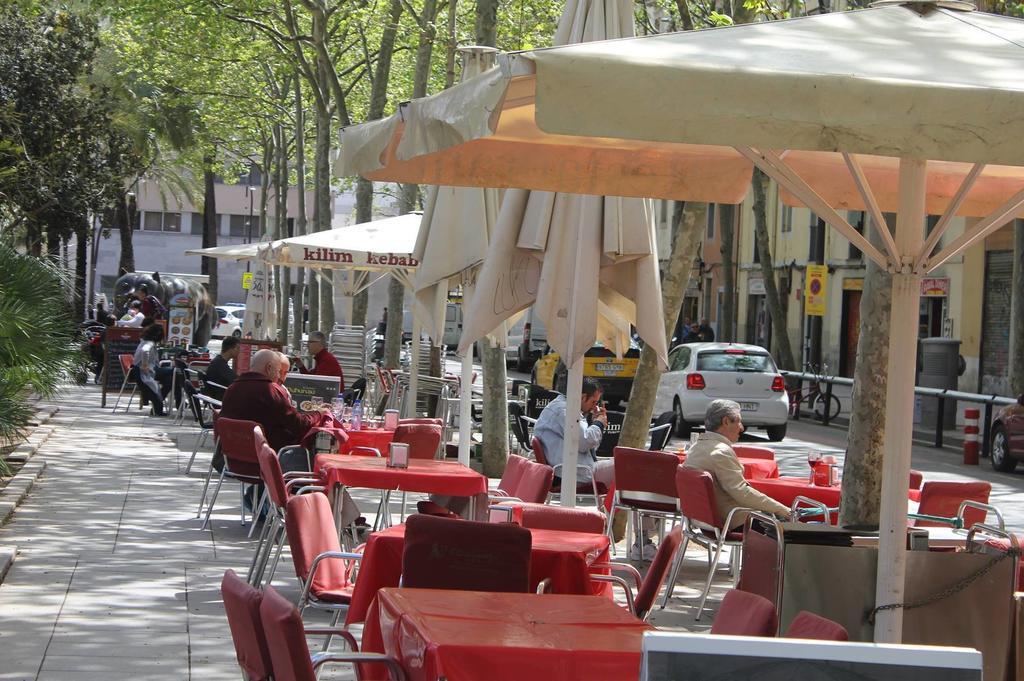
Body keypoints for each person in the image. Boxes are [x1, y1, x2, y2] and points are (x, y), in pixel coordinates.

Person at [220, 350, 361, 527]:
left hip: (235, 460)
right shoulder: (269, 390)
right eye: (279, 371)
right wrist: (320, 413)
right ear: (269, 368)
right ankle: (339, 518)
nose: (280, 377)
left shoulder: (232, 389)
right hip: (273, 461)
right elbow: (299, 424)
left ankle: (257, 497)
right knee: (322, 462)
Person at [532, 379, 659, 560]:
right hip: (576, 472)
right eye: (593, 402)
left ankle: (643, 537)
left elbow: (584, 444)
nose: (594, 406)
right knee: (638, 468)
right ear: (582, 396)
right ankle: (643, 540)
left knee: (634, 470)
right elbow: (585, 442)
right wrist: (598, 423)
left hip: (573, 469)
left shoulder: (562, 407)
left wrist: (592, 421)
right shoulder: (565, 410)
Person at [682, 400, 790, 527]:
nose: (742, 427)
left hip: (701, 519)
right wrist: (783, 510)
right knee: (791, 526)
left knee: (778, 514)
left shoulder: (696, 447)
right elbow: (742, 493)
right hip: (731, 520)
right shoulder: (721, 452)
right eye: (739, 421)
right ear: (726, 421)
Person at [133, 324, 167, 416]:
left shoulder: (145, 341)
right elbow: (145, 351)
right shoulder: (149, 343)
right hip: (143, 372)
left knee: (170, 377)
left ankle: (159, 404)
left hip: (142, 371)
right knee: (172, 373)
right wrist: (144, 365)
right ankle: (161, 402)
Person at [203, 336, 240, 400]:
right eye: (237, 348)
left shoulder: (218, 361)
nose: (239, 351)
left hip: (217, 396)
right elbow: (235, 380)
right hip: (221, 399)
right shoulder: (219, 364)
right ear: (230, 349)